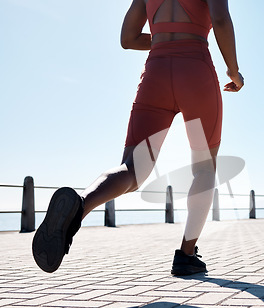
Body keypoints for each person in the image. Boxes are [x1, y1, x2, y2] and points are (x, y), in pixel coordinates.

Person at [32, 0, 244, 276]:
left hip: (155, 73)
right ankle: (186, 255)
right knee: (204, 167)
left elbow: (128, 39)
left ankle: (80, 206)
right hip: (195, 70)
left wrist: (160, 39)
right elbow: (221, 21)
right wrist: (233, 70)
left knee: (132, 169)